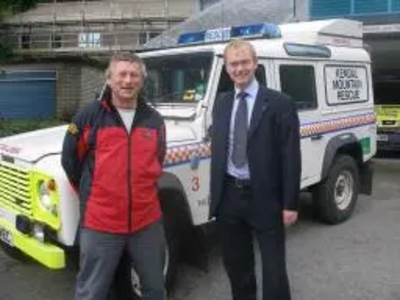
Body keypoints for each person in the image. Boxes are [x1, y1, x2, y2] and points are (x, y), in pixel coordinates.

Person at [61, 52, 166, 300]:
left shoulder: (154, 120)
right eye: (122, 74)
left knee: (154, 288)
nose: (128, 81)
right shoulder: (88, 116)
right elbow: (70, 161)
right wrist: (94, 194)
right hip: (101, 224)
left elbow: (157, 159)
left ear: (141, 80)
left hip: (146, 223)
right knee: (91, 292)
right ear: (109, 79)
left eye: (134, 75)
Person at [209, 39, 301, 300]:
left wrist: (290, 204)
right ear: (226, 68)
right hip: (229, 197)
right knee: (237, 266)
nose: (239, 69)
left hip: (266, 198)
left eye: (244, 62)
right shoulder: (222, 102)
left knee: (274, 270)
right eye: (233, 64)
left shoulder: (280, 103)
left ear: (255, 64)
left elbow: (290, 155)